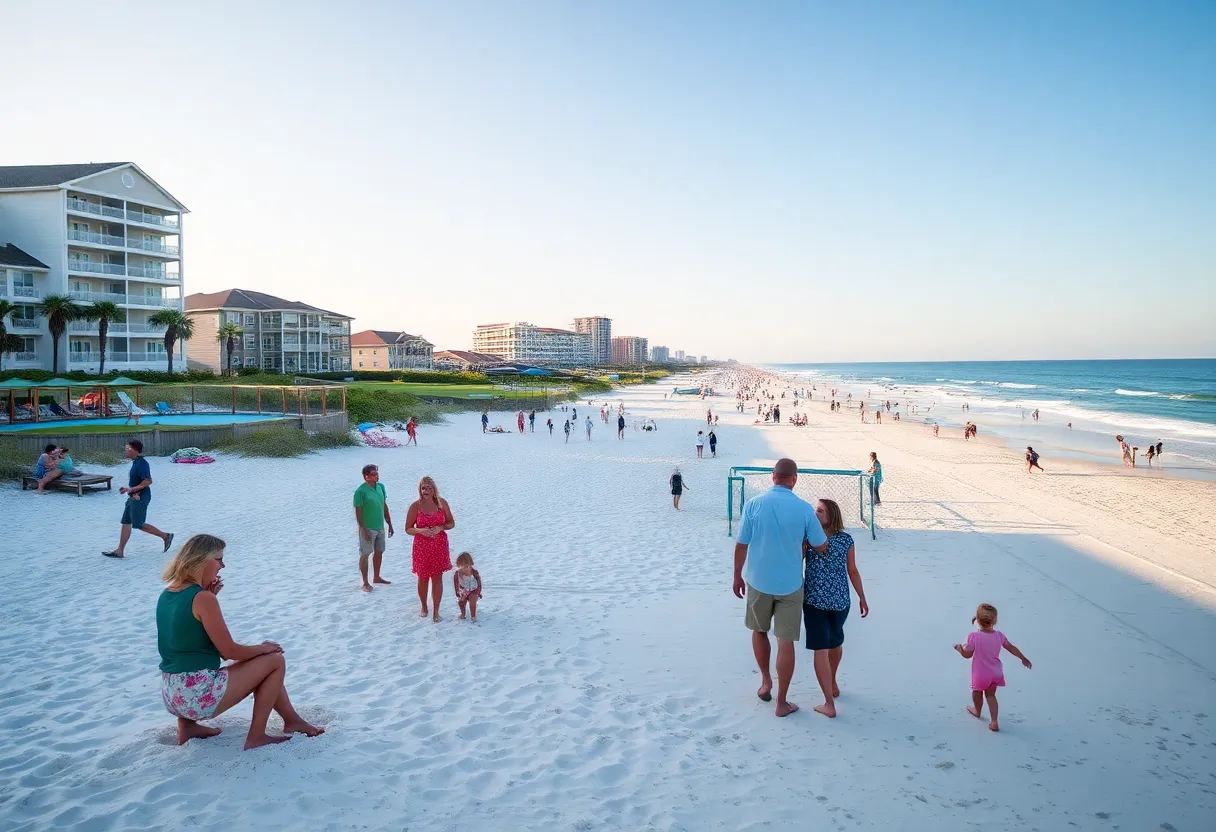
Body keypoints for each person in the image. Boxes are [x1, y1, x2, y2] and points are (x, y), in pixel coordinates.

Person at [157, 533, 324, 749]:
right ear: (201, 560)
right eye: (219, 559)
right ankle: (257, 736)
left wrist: (211, 598)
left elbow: (188, 641)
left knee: (260, 662)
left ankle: (187, 727)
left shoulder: (168, 593)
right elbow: (228, 651)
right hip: (196, 696)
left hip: (173, 694)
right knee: (274, 661)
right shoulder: (202, 598)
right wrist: (263, 649)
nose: (222, 565)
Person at [732, 458, 829, 717]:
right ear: (794, 479)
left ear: (773, 476)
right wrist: (805, 544)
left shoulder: (754, 504)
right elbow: (821, 545)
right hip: (790, 584)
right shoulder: (804, 509)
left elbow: (742, 544)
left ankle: (766, 682)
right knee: (785, 641)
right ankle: (782, 702)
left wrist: (736, 576)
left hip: (758, 580)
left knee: (759, 631)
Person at [803, 499, 869, 718]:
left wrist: (862, 596)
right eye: (815, 510)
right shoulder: (812, 538)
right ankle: (831, 688)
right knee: (829, 644)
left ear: (831, 515)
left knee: (830, 645)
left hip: (827, 602)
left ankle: (829, 699)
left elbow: (853, 570)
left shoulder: (842, 540)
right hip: (829, 601)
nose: (816, 513)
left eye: (820, 511)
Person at [953, 603, 1032, 732]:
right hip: (995, 672)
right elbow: (1010, 647)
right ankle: (994, 721)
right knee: (991, 695)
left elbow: (968, 654)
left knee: (977, 693)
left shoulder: (973, 636)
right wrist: (1023, 658)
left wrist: (959, 649)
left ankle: (977, 711)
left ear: (977, 620)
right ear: (994, 620)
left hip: (980, 673)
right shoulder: (999, 635)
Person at [103, 440, 172, 558]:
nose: (125, 450)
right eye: (125, 448)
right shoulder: (135, 462)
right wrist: (128, 489)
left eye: (128, 448)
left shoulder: (142, 463)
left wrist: (134, 490)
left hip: (140, 497)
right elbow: (138, 482)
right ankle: (120, 550)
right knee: (126, 522)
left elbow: (148, 481)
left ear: (135, 450)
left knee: (138, 524)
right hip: (133, 496)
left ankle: (165, 536)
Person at [407, 476, 455, 622]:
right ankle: (424, 606)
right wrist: (421, 531)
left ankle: (436, 611)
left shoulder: (442, 503)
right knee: (423, 578)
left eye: (429, 488)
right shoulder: (415, 506)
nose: (426, 491)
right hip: (421, 546)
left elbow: (451, 523)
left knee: (437, 578)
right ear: (420, 490)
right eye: (423, 488)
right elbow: (408, 529)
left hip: (439, 544)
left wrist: (440, 527)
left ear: (434, 489)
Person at [354, 464, 394, 592]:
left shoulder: (380, 487)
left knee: (379, 551)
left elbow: (383, 505)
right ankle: (365, 582)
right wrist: (363, 529)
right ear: (366, 476)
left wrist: (389, 523)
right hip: (367, 527)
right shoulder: (360, 492)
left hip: (380, 526)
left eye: (377, 473)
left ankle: (376, 577)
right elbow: (358, 512)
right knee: (365, 553)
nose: (377, 476)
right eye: (373, 474)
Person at [453, 552, 483, 621]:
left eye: (466, 566)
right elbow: (456, 583)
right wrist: (458, 593)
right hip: (464, 590)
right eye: (461, 566)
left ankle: (473, 616)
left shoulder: (474, 572)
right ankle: (463, 614)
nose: (464, 568)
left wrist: (478, 592)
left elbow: (479, 583)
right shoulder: (457, 574)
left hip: (473, 590)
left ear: (470, 564)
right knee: (461, 603)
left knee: (472, 602)